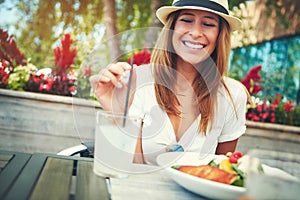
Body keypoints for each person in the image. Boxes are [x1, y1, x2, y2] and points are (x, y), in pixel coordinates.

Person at [90, 0, 248, 165]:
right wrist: (117, 114)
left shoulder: (233, 95)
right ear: (171, 28)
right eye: (186, 20)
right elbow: (128, 168)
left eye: (208, 24)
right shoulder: (138, 81)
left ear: (220, 35)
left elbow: (223, 171)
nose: (195, 32)